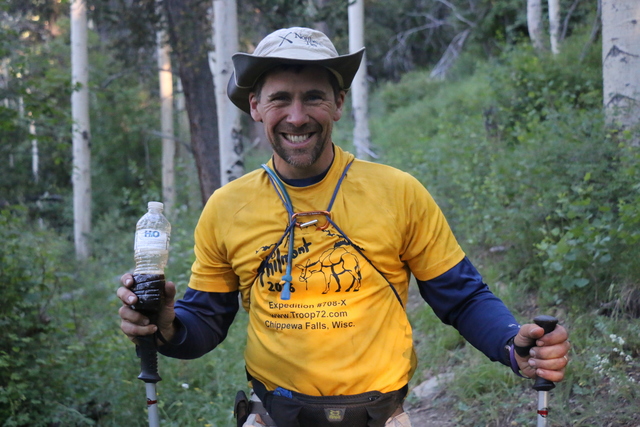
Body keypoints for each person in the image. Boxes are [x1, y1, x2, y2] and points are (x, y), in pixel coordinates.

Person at [117, 27, 570, 427]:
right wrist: (166, 326)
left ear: (338, 103)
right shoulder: (227, 207)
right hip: (274, 414)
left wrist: (513, 345)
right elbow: (205, 321)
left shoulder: (398, 192)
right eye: (280, 98)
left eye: (314, 97)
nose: (297, 116)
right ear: (255, 106)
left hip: (380, 415)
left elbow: (462, 297)